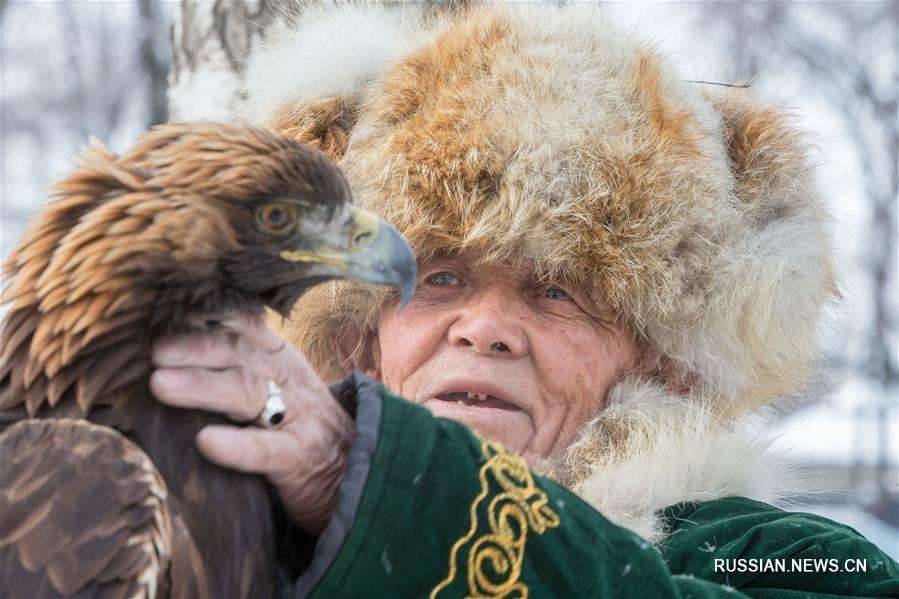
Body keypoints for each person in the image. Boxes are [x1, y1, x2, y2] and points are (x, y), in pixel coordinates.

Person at [150, 3, 898, 597]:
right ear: (361, 333)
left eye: (555, 291)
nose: (485, 328)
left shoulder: (776, 560)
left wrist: (394, 500)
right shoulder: (213, 543)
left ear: (660, 357)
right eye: (438, 276)